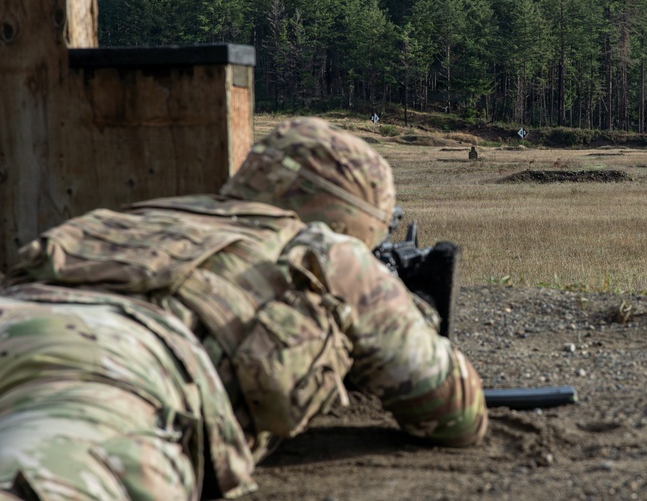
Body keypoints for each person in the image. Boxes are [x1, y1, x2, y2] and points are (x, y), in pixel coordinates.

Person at [0, 117, 488, 500]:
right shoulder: (326, 252)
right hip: (112, 368)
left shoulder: (139, 216)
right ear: (357, 220)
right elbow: (456, 416)